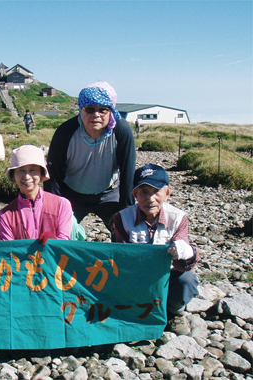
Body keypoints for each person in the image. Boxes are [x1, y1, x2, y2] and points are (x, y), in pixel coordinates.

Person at [111, 164, 200, 335]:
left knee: (187, 280)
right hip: (136, 276)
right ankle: (137, 312)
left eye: (156, 191)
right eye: (144, 191)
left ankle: (173, 312)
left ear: (167, 193)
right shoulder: (121, 218)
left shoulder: (179, 218)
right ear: (134, 194)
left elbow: (186, 264)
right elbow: (120, 257)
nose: (150, 198)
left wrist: (186, 252)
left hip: (167, 276)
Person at [45, 81, 135, 228]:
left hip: (109, 193)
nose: (96, 115)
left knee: (123, 231)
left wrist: (126, 211)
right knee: (61, 235)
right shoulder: (65, 132)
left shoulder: (121, 130)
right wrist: (53, 212)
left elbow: (128, 172)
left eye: (103, 110)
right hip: (72, 194)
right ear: (81, 110)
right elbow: (53, 175)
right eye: (90, 109)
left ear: (111, 111)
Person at [0, 145, 74, 241]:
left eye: (33, 170)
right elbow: (8, 251)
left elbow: (63, 245)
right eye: (21, 170)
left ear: (41, 173)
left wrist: (53, 241)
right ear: (13, 175)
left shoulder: (62, 205)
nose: (27, 176)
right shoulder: (6, 216)